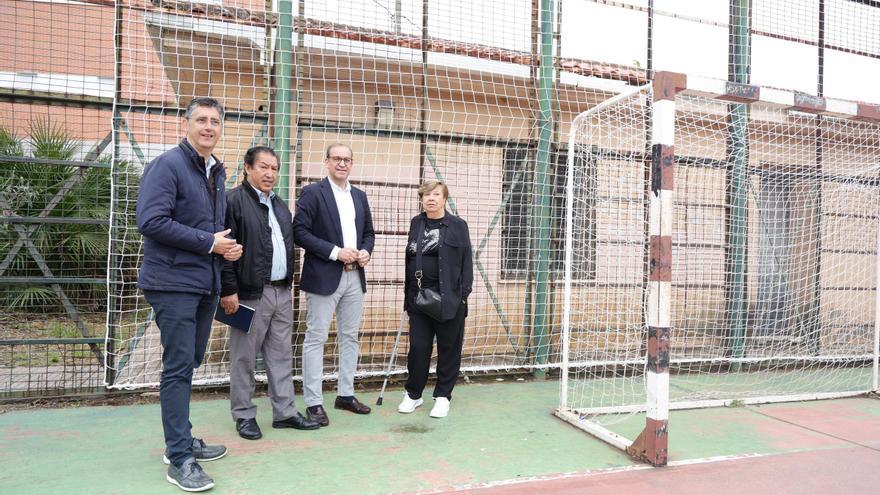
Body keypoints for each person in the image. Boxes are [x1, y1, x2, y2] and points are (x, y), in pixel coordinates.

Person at [137, 97, 242, 492]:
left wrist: (224, 250)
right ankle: (179, 455)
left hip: (203, 284)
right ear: (187, 124)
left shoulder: (215, 172)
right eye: (201, 119)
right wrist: (208, 243)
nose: (209, 127)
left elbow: (212, 234)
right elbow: (150, 221)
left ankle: (179, 440)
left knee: (190, 361)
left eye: (215, 121)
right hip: (172, 284)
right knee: (179, 367)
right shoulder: (168, 165)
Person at [220, 146, 320, 441]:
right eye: (263, 167)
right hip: (248, 294)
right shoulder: (233, 202)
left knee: (280, 355)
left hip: (281, 293)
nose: (269, 173)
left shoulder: (279, 206)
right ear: (248, 168)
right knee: (243, 358)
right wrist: (228, 290)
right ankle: (243, 415)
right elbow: (224, 251)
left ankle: (285, 412)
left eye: (274, 168)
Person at [292, 143, 375, 426]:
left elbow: (368, 234)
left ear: (352, 164)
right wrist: (335, 252)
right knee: (317, 338)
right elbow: (299, 232)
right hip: (325, 276)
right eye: (337, 158)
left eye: (347, 159)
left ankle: (345, 395)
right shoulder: (313, 193)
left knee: (350, 337)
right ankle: (314, 402)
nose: (342, 163)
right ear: (326, 162)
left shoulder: (360, 196)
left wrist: (365, 251)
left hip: (355, 275)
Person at [398, 180, 473, 418]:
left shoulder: (458, 226)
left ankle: (442, 396)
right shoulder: (416, 223)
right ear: (422, 199)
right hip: (419, 300)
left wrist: (462, 295)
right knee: (418, 349)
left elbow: (466, 261)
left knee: (449, 349)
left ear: (444, 199)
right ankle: (413, 394)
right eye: (426, 194)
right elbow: (410, 260)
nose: (431, 198)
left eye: (436, 194)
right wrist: (408, 298)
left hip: (450, 300)